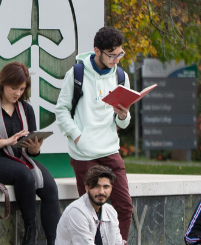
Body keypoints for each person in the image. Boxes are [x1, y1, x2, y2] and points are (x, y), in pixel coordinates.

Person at [53, 26, 135, 240]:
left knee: (124, 206)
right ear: (97, 51)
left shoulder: (121, 76)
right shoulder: (77, 74)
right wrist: (77, 136)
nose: (116, 59)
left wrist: (123, 115)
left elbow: (123, 122)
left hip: (110, 149)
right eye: (111, 55)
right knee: (90, 211)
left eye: (119, 54)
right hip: (84, 153)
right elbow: (61, 110)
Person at [0, 61, 61, 244]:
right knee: (24, 175)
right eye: (14, 88)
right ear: (3, 83)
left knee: (49, 186)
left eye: (22, 89)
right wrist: (6, 141)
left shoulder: (26, 109)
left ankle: (54, 240)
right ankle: (30, 231)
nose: (17, 93)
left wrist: (35, 149)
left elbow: (30, 148)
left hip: (19, 158)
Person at [57, 165, 124, 245]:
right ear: (87, 188)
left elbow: (118, 242)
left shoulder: (110, 211)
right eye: (96, 186)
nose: (101, 192)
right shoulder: (76, 211)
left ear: (111, 188)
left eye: (106, 187)